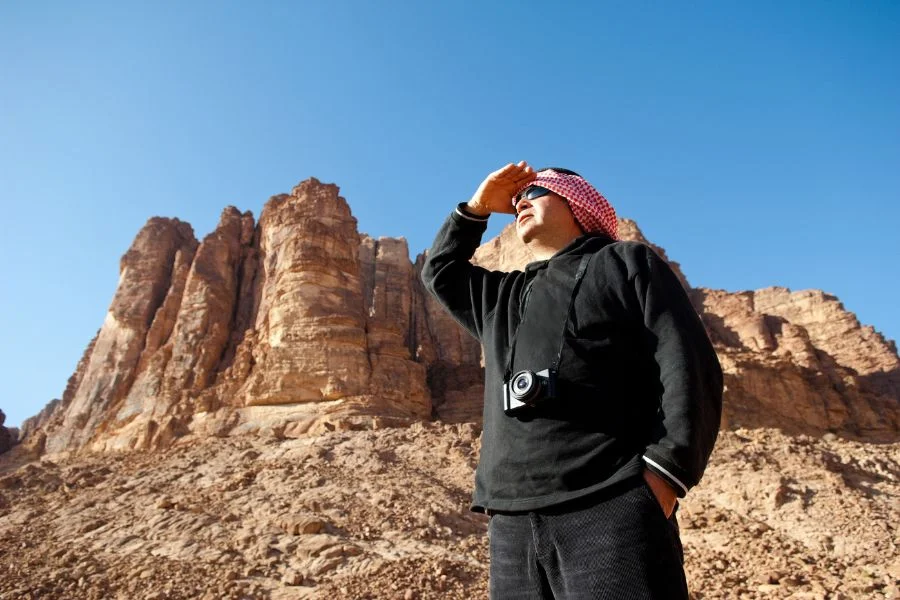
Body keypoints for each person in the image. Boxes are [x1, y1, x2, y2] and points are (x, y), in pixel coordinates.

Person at [420, 161, 724, 599]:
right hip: (511, 524)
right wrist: (476, 208)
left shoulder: (624, 262)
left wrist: (664, 475)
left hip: (611, 505)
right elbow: (440, 272)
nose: (522, 202)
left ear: (575, 201)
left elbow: (687, 362)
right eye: (518, 198)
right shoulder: (500, 297)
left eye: (536, 193)